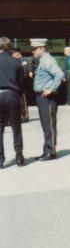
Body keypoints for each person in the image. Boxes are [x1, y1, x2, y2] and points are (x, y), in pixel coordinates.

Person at [32, 39, 64, 161]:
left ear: (42, 48)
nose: (33, 51)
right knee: (46, 125)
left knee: (49, 125)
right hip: (42, 97)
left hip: (47, 98)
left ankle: (51, 152)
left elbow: (59, 74)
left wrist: (51, 89)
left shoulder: (47, 60)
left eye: (35, 48)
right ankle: (47, 150)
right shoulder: (43, 60)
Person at [0, 37, 25, 168]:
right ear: (9, 47)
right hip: (12, 94)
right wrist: (18, 94)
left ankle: (0, 158)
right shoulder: (16, 62)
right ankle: (19, 155)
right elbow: (21, 80)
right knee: (16, 127)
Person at [11, 48, 30, 122]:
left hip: (22, 84)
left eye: (13, 54)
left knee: (23, 100)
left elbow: (25, 74)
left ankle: (25, 116)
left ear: (17, 54)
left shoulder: (23, 61)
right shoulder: (16, 61)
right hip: (16, 84)